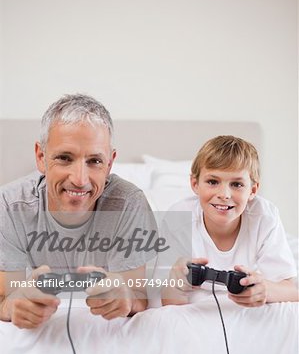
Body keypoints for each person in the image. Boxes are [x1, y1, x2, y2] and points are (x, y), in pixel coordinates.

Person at [0, 94, 157, 328]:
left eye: (94, 161)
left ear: (110, 163)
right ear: (41, 157)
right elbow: (4, 298)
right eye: (64, 158)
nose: (80, 180)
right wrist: (15, 304)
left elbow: (137, 296)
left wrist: (124, 299)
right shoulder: (9, 205)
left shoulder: (129, 203)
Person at [159, 135, 298, 306]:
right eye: (212, 181)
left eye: (237, 184)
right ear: (195, 184)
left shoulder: (264, 217)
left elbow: (291, 289)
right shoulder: (179, 218)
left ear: (253, 190)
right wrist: (176, 284)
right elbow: (168, 305)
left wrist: (265, 290)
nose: (224, 194)